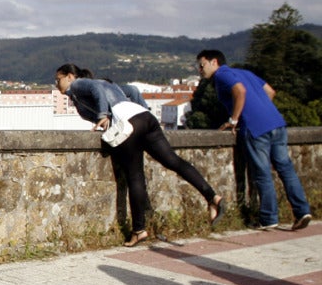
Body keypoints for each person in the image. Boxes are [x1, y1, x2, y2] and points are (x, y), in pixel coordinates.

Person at [56, 63, 225, 246]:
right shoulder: (108, 84)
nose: (57, 85)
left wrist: (102, 115)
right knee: (173, 161)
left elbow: (96, 89)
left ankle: (139, 230)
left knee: (135, 176)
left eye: (58, 80)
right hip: (144, 117)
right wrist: (143, 111)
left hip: (127, 124)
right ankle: (212, 197)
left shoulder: (78, 85)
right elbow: (134, 90)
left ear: (70, 76)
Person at [196, 50, 312, 231]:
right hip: (276, 123)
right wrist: (260, 110)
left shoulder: (222, 75)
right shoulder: (245, 73)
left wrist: (234, 119)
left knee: (262, 174)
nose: (199, 70)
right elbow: (270, 92)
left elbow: (239, 91)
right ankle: (302, 211)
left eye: (202, 65)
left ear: (214, 62)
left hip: (255, 129)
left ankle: (269, 218)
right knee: (286, 169)